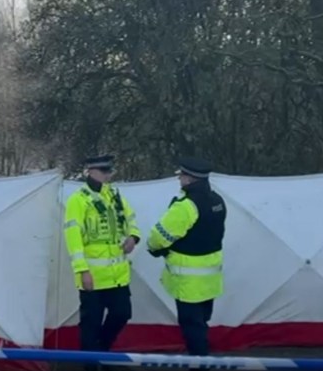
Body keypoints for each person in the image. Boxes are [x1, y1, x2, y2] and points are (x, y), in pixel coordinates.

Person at [64, 155, 141, 370]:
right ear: (90, 171)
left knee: (122, 313)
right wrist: (82, 271)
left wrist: (133, 237)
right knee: (90, 324)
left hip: (118, 274)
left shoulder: (115, 195)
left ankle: (101, 351)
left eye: (109, 171)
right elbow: (73, 238)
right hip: (93, 276)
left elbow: (131, 219)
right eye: (103, 171)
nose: (108, 175)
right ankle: (90, 364)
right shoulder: (78, 200)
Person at [146, 156, 227, 357]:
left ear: (190, 179)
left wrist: (154, 248)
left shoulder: (186, 206)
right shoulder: (217, 200)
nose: (179, 179)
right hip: (210, 280)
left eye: (181, 175)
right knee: (201, 323)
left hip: (188, 283)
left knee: (192, 328)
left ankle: (199, 363)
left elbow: (158, 237)